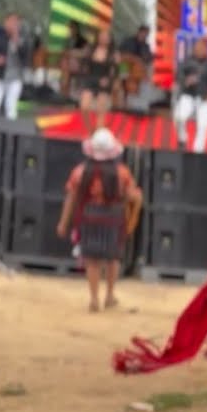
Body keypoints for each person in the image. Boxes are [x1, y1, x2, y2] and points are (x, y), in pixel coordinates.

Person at [56, 128, 142, 313]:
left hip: (89, 216)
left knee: (92, 259)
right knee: (113, 258)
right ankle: (110, 295)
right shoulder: (122, 173)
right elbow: (132, 197)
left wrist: (63, 223)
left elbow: (71, 198)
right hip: (113, 217)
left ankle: (94, 298)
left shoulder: (80, 172)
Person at [173, 39, 207, 153]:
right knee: (179, 117)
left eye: (202, 48)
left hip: (205, 98)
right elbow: (178, 75)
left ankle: (198, 151)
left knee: (203, 125)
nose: (199, 50)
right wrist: (186, 80)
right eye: (197, 48)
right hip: (188, 95)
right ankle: (182, 139)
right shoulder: (187, 62)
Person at [0, 13, 33, 120]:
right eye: (12, 21)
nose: (14, 24)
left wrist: (16, 39)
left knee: (11, 108)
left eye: (17, 22)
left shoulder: (24, 39)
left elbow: (25, 57)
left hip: (15, 78)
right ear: (5, 22)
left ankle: (9, 135)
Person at [79, 29, 119, 124]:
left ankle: (99, 131)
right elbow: (84, 67)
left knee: (101, 109)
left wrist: (109, 80)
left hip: (104, 80)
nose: (104, 39)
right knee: (84, 106)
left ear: (110, 39)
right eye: (102, 36)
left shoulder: (114, 53)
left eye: (106, 37)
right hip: (91, 79)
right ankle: (90, 132)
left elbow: (115, 72)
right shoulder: (90, 50)